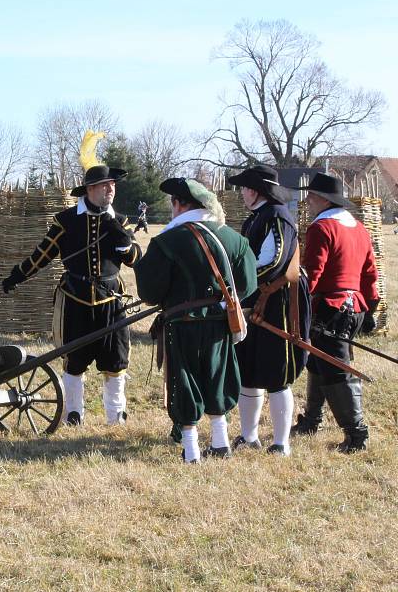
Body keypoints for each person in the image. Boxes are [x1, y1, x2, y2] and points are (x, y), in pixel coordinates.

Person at [2, 165, 142, 426]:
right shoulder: (65, 220)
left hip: (111, 300)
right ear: (90, 189)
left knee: (115, 360)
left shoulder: (120, 221)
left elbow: (134, 260)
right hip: (75, 300)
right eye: (105, 185)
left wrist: (119, 232)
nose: (111, 188)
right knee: (74, 361)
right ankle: (74, 413)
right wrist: (18, 275)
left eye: (113, 184)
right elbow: (43, 254)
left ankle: (116, 415)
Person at [134, 178, 257, 463]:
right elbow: (248, 285)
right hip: (220, 324)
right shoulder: (233, 239)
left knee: (184, 381)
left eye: (172, 205)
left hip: (182, 324)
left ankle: (191, 451)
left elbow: (150, 292)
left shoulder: (166, 241)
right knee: (218, 377)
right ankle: (221, 442)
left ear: (179, 204)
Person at [291, 173, 379, 453]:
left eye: (311, 196)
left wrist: (299, 303)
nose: (308, 201)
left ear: (323, 199)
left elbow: (312, 274)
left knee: (337, 372)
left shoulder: (322, 228)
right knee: (317, 363)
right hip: (354, 309)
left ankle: (357, 435)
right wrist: (372, 306)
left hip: (331, 309)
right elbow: (370, 274)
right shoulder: (359, 228)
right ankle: (312, 420)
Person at [227, 166, 310, 456]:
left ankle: (281, 442)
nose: (242, 194)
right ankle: (249, 436)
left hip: (277, 305)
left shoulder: (277, 216)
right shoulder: (259, 217)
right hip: (255, 301)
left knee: (276, 375)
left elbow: (273, 261)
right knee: (250, 370)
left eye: (244, 189)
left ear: (254, 191)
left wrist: (239, 283)